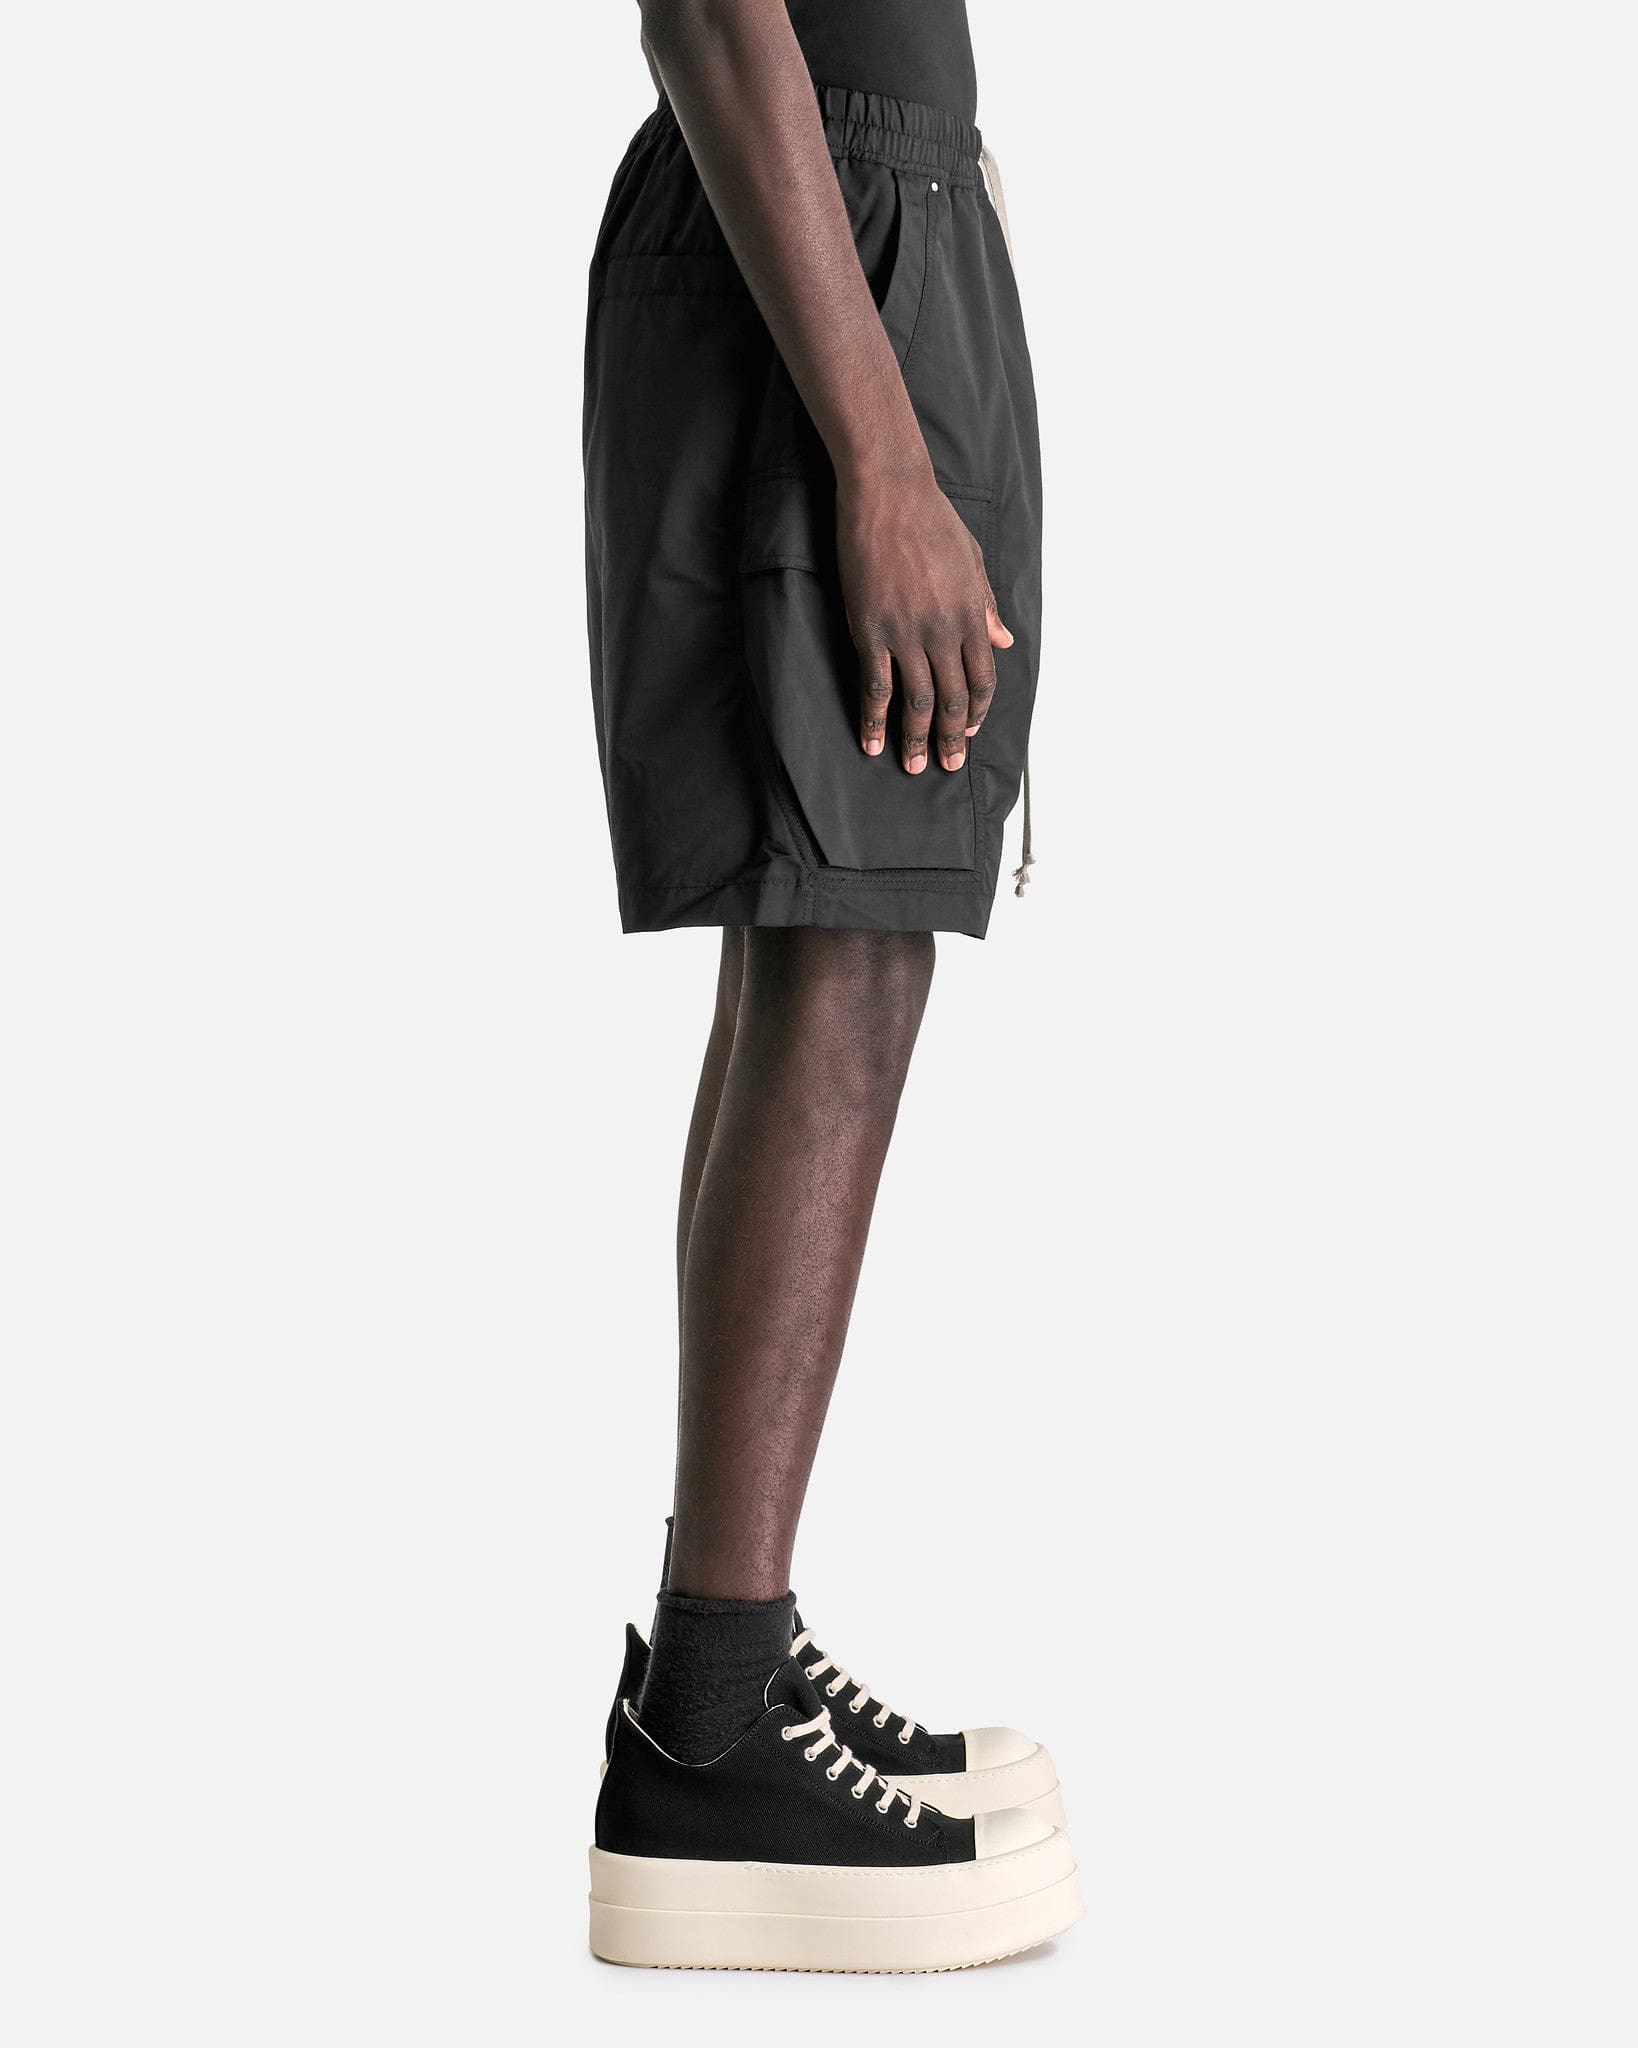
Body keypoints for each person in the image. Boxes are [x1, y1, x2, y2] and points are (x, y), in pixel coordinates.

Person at [584, 1, 1076, 1970]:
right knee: (836, 940)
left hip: (880, 226)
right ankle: (711, 1734)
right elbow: (709, 11)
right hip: (821, 244)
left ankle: (729, 1669)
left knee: (837, 940)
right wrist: (883, 458)